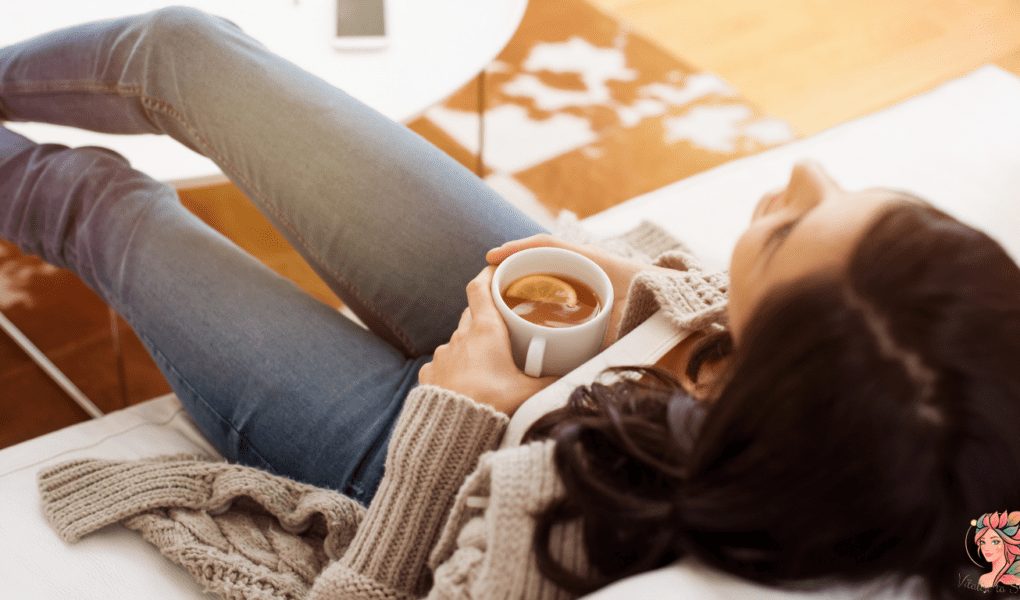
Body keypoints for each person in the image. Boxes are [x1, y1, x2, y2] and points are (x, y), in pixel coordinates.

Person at [5, 7, 1020, 600]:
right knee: (183, 47)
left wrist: (455, 419)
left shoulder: (567, 535)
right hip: (588, 340)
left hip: (424, 455)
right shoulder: (955, 430)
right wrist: (646, 298)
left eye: (795, 231)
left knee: (98, 205)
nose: (804, 174)